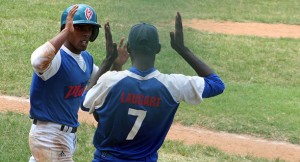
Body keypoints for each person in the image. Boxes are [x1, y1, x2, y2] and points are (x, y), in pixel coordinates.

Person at [82, 12, 225, 162]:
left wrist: (109, 62)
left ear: (129, 48)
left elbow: (85, 103)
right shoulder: (173, 86)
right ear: (158, 48)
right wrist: (183, 49)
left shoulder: (110, 80)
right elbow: (217, 84)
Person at [28, 4, 128, 162]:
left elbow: (103, 84)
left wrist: (115, 64)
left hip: (65, 137)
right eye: (80, 28)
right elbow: (37, 60)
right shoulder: (57, 58)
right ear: (66, 28)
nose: (87, 33)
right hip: (49, 136)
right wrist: (66, 31)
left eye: (90, 29)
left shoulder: (86, 59)